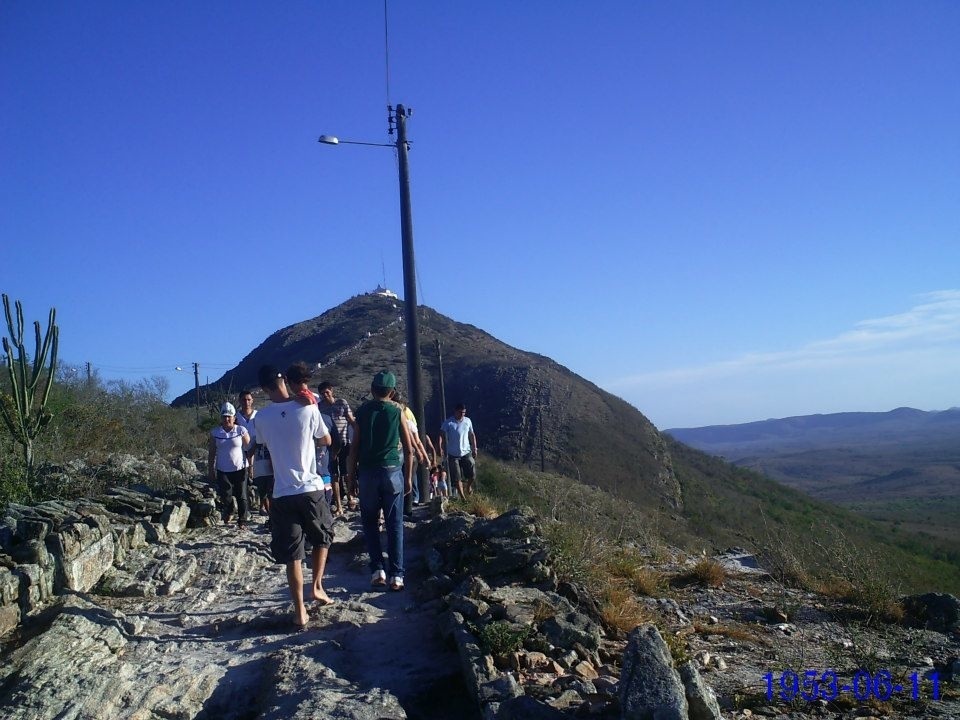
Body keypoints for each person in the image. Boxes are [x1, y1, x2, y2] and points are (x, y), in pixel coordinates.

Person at [254, 364, 335, 628]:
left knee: (293, 555)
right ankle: (318, 586)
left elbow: (265, 442)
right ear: (284, 381)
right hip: (310, 487)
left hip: (282, 491)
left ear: (265, 389)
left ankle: (300, 611)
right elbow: (326, 440)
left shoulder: (261, 418)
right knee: (323, 536)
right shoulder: (309, 408)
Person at [348, 370, 414, 591]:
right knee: (395, 525)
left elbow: (354, 448)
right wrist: (408, 479)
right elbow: (409, 448)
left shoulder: (362, 412)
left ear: (372, 389)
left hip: (367, 472)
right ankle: (397, 575)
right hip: (392, 471)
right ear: (392, 392)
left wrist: (350, 478)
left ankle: (378, 571)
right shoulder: (398, 412)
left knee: (370, 522)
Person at [208, 402, 254, 528]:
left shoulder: (241, 430)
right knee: (226, 495)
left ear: (234, 418)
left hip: (240, 468)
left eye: (229, 416)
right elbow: (212, 453)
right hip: (223, 469)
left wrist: (251, 466)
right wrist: (210, 470)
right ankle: (229, 511)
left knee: (242, 495)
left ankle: (242, 520)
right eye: (224, 416)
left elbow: (249, 449)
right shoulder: (215, 432)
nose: (227, 419)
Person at [318, 381, 356, 514]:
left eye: (327, 393)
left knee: (346, 473)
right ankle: (339, 505)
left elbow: (351, 421)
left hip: (345, 442)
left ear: (331, 391)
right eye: (322, 394)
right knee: (334, 475)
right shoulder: (319, 408)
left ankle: (351, 498)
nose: (325, 396)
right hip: (330, 446)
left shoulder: (342, 403)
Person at [439, 403, 478, 499]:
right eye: (460, 412)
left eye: (464, 412)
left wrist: (474, 448)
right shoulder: (448, 423)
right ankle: (463, 498)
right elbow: (441, 435)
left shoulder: (468, 421)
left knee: (472, 473)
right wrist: (440, 448)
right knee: (457, 477)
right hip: (453, 454)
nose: (462, 414)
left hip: (466, 452)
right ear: (455, 411)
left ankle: (468, 486)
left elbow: (472, 434)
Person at [235, 390, 258, 516]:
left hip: (258, 451)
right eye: (244, 400)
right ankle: (245, 508)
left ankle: (263, 506)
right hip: (241, 452)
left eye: (249, 399)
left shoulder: (258, 416)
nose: (246, 402)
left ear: (252, 400)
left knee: (260, 480)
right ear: (240, 401)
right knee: (242, 481)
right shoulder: (236, 418)